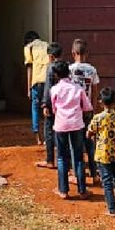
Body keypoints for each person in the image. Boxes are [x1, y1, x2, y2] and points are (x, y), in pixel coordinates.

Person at [50, 61, 93, 200]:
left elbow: (54, 109)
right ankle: (82, 190)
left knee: (62, 157)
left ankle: (63, 190)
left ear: (56, 75)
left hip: (61, 125)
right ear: (69, 73)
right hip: (77, 124)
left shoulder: (54, 89)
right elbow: (87, 107)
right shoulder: (78, 88)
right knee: (78, 157)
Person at [88, 87, 115, 216]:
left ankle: (112, 209)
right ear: (114, 101)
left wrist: (91, 135)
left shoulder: (98, 118)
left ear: (100, 102)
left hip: (102, 154)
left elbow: (89, 132)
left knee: (107, 181)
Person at [70, 39, 101, 186]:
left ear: (73, 53)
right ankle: (94, 174)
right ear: (86, 54)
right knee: (90, 142)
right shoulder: (92, 70)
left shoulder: (69, 70)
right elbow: (95, 91)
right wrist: (93, 109)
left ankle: (77, 173)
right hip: (88, 110)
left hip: (74, 111)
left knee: (76, 144)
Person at [36, 42, 63, 170]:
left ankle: (50, 160)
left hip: (52, 104)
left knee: (49, 131)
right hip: (63, 105)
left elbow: (48, 87)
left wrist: (45, 104)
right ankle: (62, 159)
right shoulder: (65, 66)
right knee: (60, 131)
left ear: (51, 56)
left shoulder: (51, 67)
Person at [23, 31, 49, 146]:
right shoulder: (47, 45)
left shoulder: (29, 48)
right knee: (47, 109)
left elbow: (29, 68)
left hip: (36, 82)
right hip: (48, 82)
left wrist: (28, 88)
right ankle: (48, 137)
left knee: (35, 108)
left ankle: (37, 138)